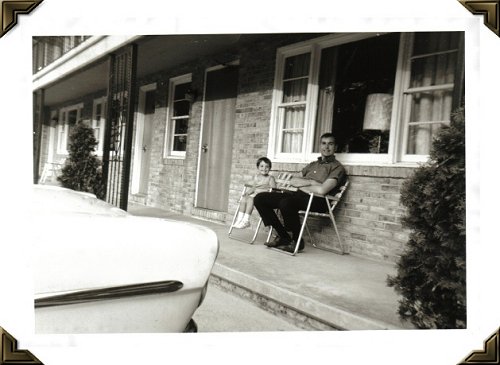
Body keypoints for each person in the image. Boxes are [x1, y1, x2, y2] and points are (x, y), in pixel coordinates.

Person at [254, 133, 346, 253]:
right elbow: (293, 180)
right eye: (324, 143)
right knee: (260, 198)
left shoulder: (337, 168)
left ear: (336, 147)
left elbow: (323, 190)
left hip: (319, 200)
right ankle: (284, 237)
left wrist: (304, 183)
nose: (326, 147)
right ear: (320, 145)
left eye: (331, 144)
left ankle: (297, 240)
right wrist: (312, 182)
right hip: (299, 196)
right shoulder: (313, 164)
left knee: (287, 202)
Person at [233, 157, 277, 229]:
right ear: (258, 167)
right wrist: (247, 193)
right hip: (255, 195)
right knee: (244, 199)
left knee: (250, 199)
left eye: (267, 167)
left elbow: (274, 190)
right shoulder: (257, 177)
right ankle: (239, 219)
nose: (264, 168)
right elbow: (254, 187)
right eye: (262, 166)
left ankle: (246, 220)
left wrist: (269, 191)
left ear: (270, 168)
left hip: (263, 197)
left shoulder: (270, 178)